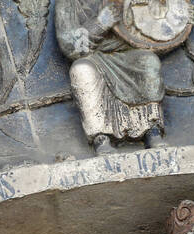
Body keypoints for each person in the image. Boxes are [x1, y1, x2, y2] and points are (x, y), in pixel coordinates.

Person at [56, 0, 167, 153]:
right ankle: (101, 137)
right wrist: (100, 24)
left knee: (149, 61)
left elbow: (149, 29)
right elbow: (69, 46)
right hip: (93, 58)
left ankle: (151, 129)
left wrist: (170, 15)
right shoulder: (68, 4)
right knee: (81, 70)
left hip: (126, 54)